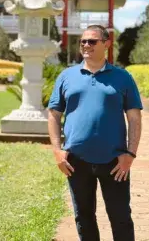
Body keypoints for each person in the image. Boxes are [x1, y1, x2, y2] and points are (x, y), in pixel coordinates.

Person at [48, 25, 142, 241]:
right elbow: (54, 115)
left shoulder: (122, 77)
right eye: (83, 41)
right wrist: (57, 151)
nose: (86, 45)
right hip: (76, 161)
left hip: (114, 162)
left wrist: (130, 153)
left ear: (106, 44)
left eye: (92, 41)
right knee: (83, 217)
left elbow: (135, 118)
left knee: (120, 218)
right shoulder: (67, 76)